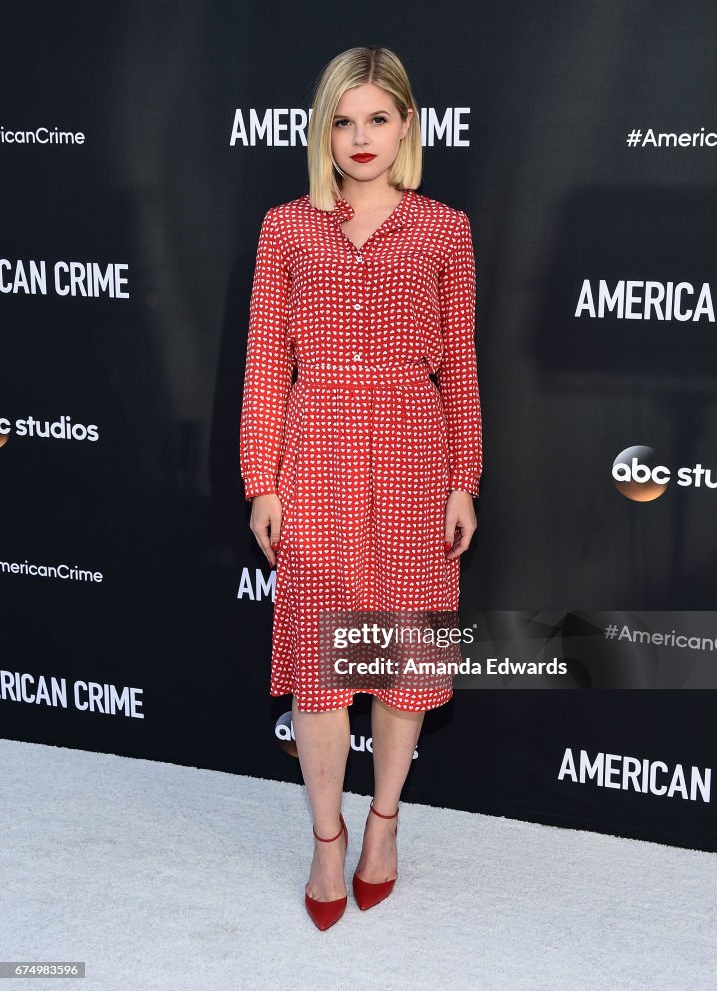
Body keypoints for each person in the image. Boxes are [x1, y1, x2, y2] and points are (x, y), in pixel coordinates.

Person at [240, 46, 482, 930]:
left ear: (408, 126)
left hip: (416, 454)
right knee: (319, 664)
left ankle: (383, 824)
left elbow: (458, 364)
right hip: (314, 455)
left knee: (400, 654)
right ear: (322, 130)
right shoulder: (285, 227)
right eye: (343, 119)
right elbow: (267, 361)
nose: (360, 136)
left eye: (378, 117)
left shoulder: (444, 229)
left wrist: (465, 477)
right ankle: (326, 838)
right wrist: (259, 480)